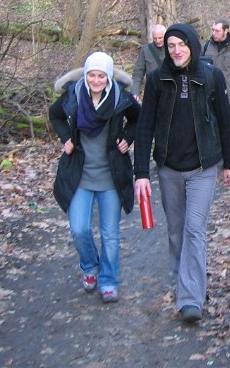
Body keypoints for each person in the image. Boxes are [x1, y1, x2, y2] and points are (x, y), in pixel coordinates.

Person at [133, 23, 230, 324]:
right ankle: (185, 282)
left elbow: (225, 122)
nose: (176, 50)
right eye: (171, 46)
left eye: (181, 44)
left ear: (192, 45)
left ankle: (191, 298)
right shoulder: (157, 80)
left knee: (194, 228)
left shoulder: (211, 77)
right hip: (168, 169)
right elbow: (145, 127)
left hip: (202, 168)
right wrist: (141, 172)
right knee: (176, 231)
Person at [48, 51, 140, 304]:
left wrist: (128, 138)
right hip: (80, 175)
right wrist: (66, 138)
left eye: (101, 76)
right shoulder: (74, 94)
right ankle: (89, 267)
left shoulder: (121, 97)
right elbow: (55, 114)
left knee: (110, 235)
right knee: (79, 229)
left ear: (109, 76)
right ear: (85, 75)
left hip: (111, 176)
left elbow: (138, 119)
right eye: (91, 75)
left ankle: (108, 281)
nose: (96, 80)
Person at [131, 24, 166, 101]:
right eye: (155, 38)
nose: (157, 41)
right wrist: (134, 92)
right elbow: (138, 73)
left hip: (169, 92)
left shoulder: (172, 49)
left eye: (160, 38)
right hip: (152, 92)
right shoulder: (146, 50)